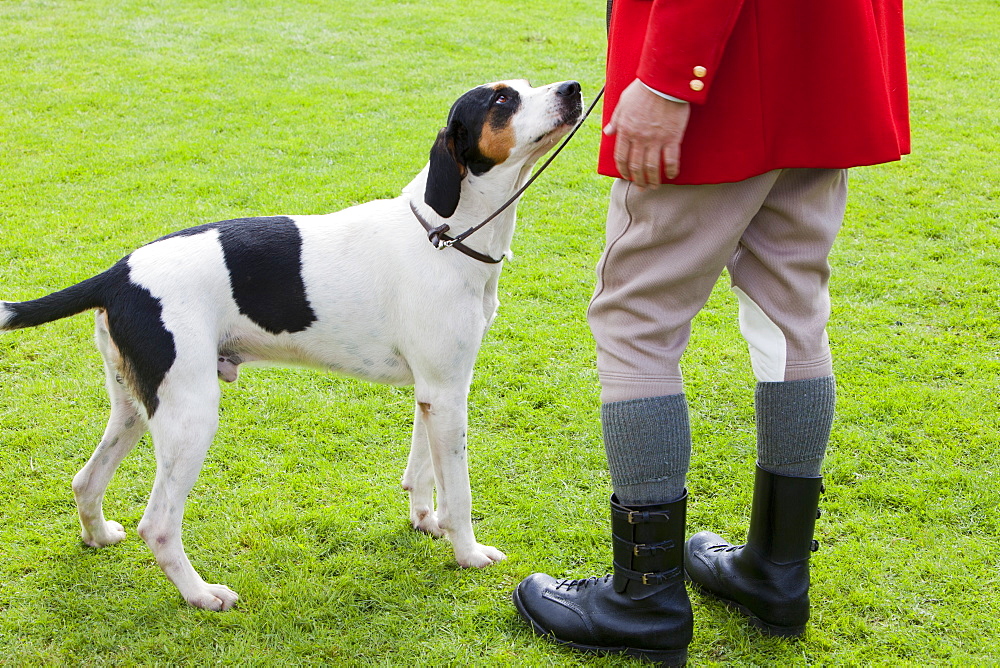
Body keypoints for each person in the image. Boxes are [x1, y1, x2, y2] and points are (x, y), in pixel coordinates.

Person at [512, 0, 910, 664]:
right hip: (823, 53)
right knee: (792, 313)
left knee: (637, 320)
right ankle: (775, 573)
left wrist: (670, 77)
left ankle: (645, 598)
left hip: (723, 66)